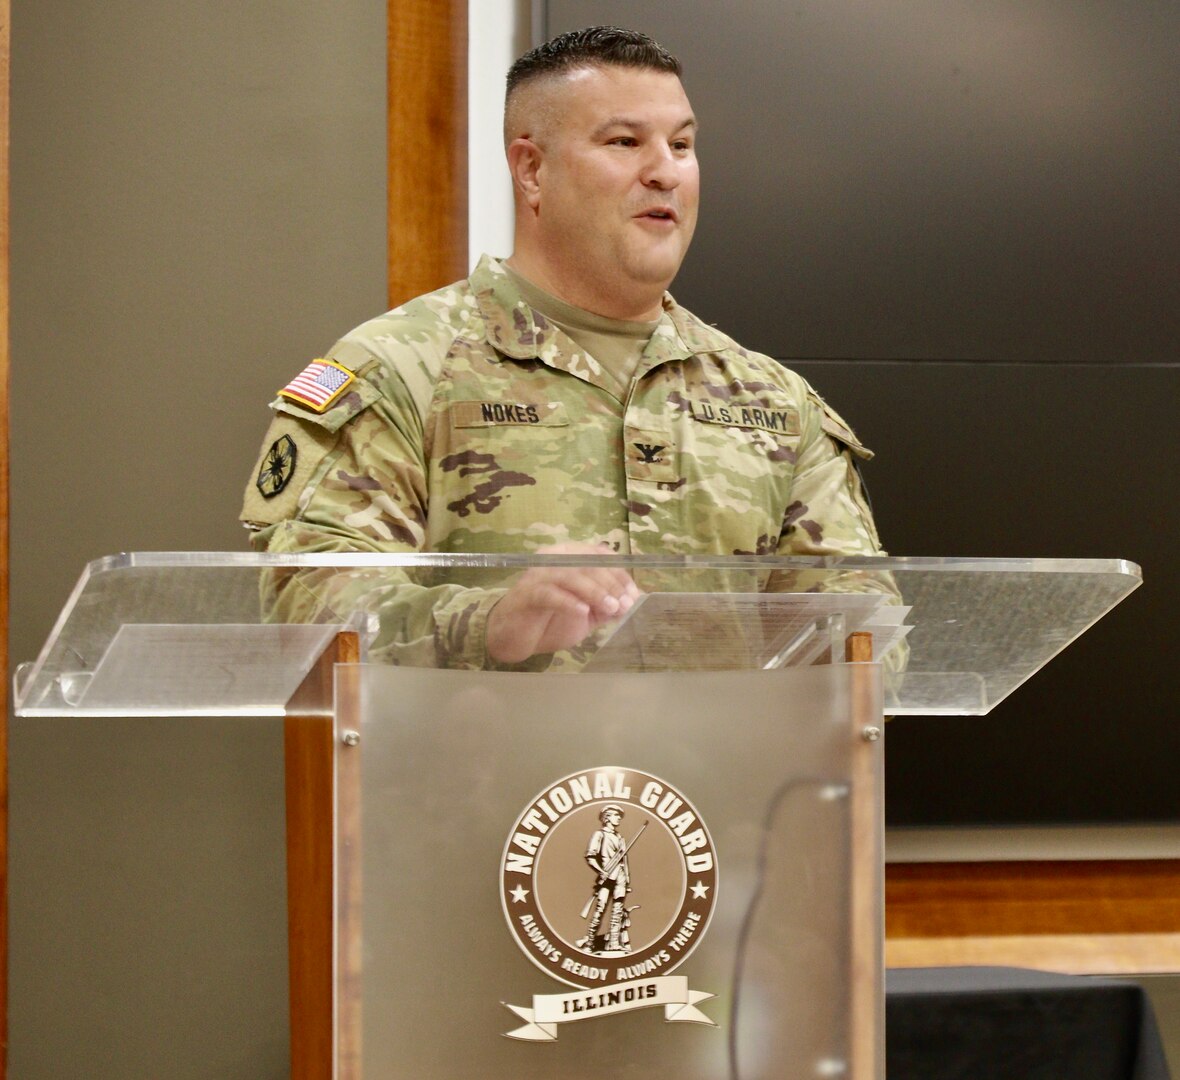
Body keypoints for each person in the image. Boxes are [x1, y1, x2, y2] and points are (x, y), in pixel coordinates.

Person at [241, 26, 887, 669]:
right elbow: (309, 607)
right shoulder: (397, 372)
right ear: (531, 170)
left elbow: (868, 645)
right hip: (478, 768)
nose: (665, 171)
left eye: (683, 145)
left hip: (708, 775)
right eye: (625, 142)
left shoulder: (773, 403)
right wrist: (489, 624)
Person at [578, 804, 633, 955]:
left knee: (617, 911)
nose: (619, 819)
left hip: (620, 877)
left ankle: (614, 943)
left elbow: (624, 861)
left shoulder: (620, 838)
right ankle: (589, 942)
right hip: (607, 876)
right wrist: (601, 872)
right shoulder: (600, 834)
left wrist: (627, 880)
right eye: (616, 815)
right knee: (600, 908)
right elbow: (590, 856)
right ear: (607, 817)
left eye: (619, 816)